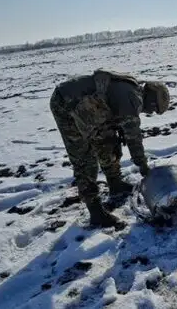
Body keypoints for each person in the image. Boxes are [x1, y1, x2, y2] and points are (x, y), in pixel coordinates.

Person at [49, 69, 170, 228]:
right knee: (85, 159)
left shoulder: (132, 91)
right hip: (65, 103)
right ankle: (95, 211)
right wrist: (143, 166)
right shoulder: (132, 98)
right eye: (154, 110)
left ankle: (115, 183)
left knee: (108, 140)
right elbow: (133, 137)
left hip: (86, 107)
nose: (150, 113)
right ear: (152, 100)